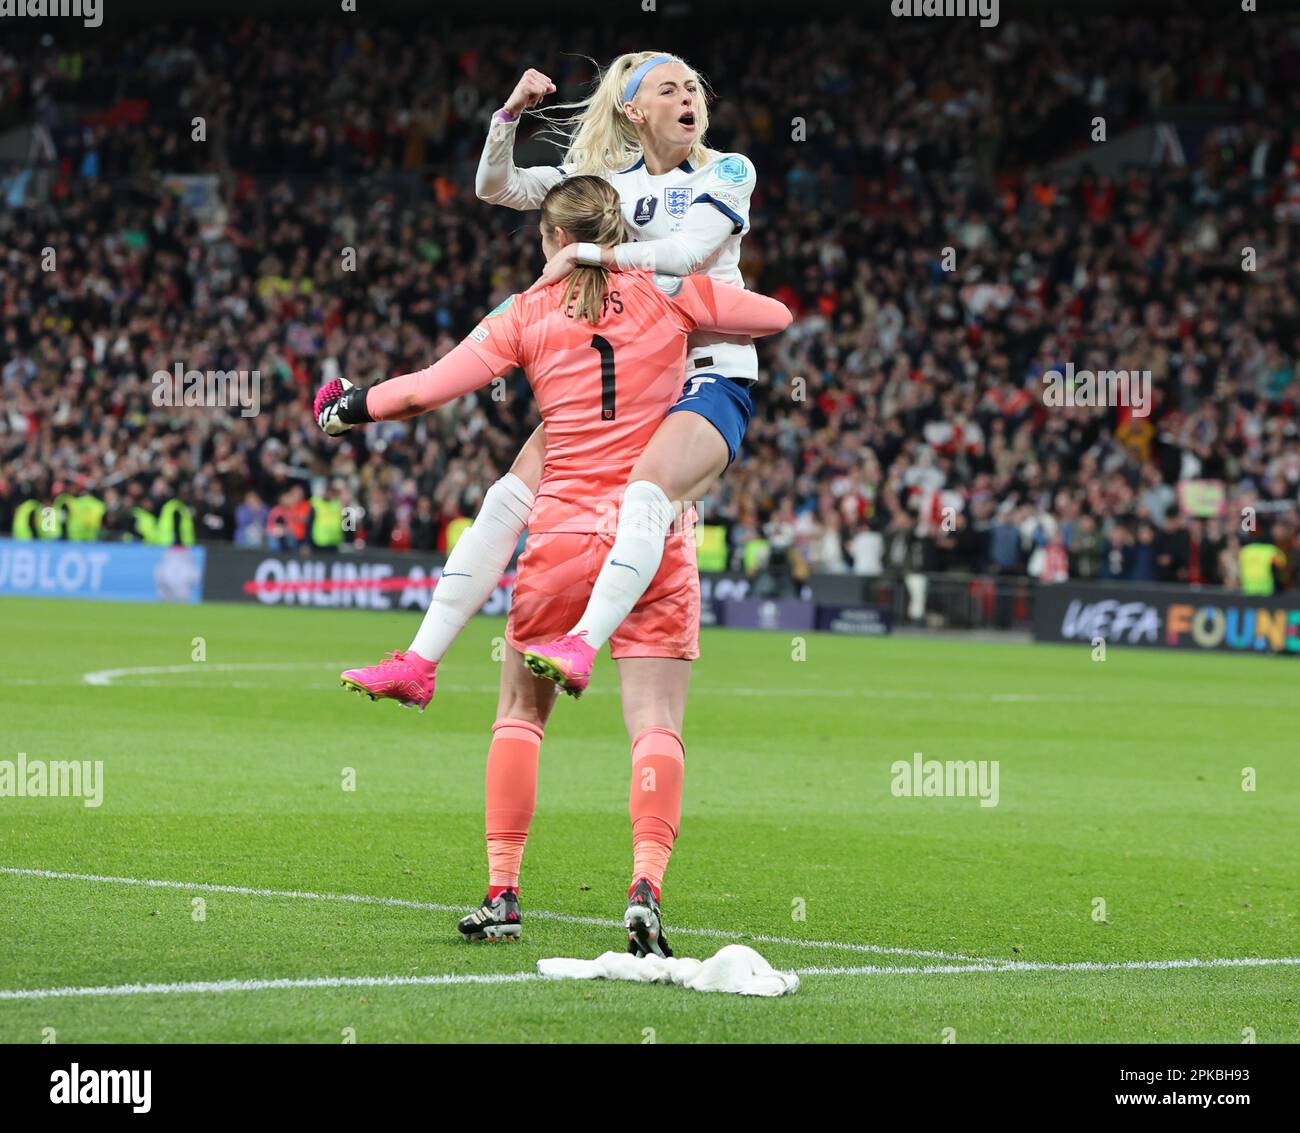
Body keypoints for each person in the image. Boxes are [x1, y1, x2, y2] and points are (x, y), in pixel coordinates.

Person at [314, 176, 790, 952]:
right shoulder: (669, 292)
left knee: (520, 715)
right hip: (655, 534)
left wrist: (349, 405)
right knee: (656, 724)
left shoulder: (525, 313)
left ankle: (503, 891)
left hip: (563, 530)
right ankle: (645, 888)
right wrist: (690, 289)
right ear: (616, 231)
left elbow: (425, 392)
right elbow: (774, 316)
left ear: (546, 241)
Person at [346, 52, 766, 703]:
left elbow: (688, 254)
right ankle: (419, 662)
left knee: (648, 495)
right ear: (633, 109)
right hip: (632, 371)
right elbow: (498, 187)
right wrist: (507, 115)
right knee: (506, 497)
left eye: (693, 87)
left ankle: (582, 642)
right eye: (669, 87)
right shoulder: (598, 179)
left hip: (706, 373)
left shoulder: (727, 170)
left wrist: (585, 251)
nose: (689, 95)